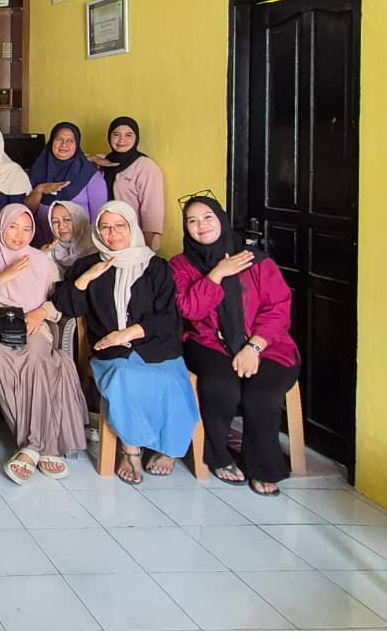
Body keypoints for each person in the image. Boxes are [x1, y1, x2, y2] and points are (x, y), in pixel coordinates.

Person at [54, 202, 199, 484]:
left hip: (155, 345)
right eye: (105, 227)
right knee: (124, 376)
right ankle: (131, 449)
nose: (113, 234)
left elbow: (169, 318)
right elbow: (67, 306)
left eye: (120, 226)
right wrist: (86, 279)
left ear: (132, 227)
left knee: (170, 380)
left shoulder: (156, 267)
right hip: (111, 351)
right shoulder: (88, 265)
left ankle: (168, 448)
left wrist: (128, 333)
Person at [171, 196, 301, 496]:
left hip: (267, 345)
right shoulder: (181, 265)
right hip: (209, 342)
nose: (201, 226)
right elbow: (191, 310)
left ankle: (263, 467)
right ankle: (218, 455)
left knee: (262, 395)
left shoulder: (256, 261)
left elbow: (278, 309)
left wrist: (254, 347)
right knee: (220, 388)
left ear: (221, 219)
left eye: (207, 217)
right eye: (192, 221)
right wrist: (218, 273)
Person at [0, 204, 88, 485]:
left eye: (26, 229)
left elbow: (59, 304)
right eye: (13, 227)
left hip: (31, 322)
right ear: (2, 227)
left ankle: (31, 448)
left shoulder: (42, 261)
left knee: (36, 354)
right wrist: (4, 277)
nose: (19, 235)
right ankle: (40, 444)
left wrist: (41, 312)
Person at [89, 117, 166, 251]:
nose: (121, 140)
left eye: (128, 135)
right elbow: (72, 158)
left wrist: (147, 246)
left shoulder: (145, 166)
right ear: (109, 137)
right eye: (116, 134)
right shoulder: (102, 161)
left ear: (136, 138)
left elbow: (152, 209)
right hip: (104, 236)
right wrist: (91, 158)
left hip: (132, 239)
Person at [25, 122, 107, 246]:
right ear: (52, 141)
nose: (64, 144)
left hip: (80, 248)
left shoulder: (89, 174)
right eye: (59, 139)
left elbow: (99, 218)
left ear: (77, 144)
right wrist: (39, 190)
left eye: (70, 140)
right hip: (43, 245)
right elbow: (27, 211)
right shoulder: (38, 169)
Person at [43, 201, 94, 276]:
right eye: (55, 221)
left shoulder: (95, 245)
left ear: (78, 220)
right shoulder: (51, 252)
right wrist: (41, 256)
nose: (61, 226)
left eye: (67, 219)